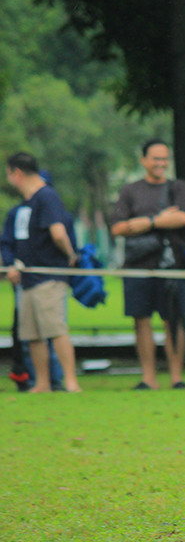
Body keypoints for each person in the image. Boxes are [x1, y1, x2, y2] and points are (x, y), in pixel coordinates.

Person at [109, 139, 185, 390]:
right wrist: (158, 219)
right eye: (156, 159)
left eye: (164, 159)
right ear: (144, 160)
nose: (161, 164)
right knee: (141, 320)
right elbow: (118, 227)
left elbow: (184, 217)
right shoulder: (129, 190)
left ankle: (176, 377)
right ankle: (148, 378)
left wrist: (147, 223)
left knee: (173, 320)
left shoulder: (177, 187)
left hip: (171, 265)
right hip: (137, 265)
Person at [2, 152, 81, 393]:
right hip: (26, 279)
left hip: (48, 276)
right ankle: (43, 383)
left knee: (55, 330)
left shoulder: (47, 197)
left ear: (17, 173)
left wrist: (70, 255)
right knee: (33, 334)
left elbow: (58, 232)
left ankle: (70, 381)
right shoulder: (24, 205)